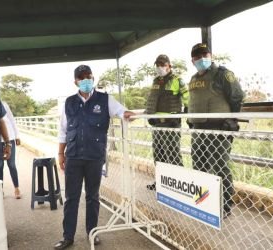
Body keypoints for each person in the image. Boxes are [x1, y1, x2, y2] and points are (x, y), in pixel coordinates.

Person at [54, 65, 135, 250]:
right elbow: (63, 130)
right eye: (82, 78)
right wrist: (60, 153)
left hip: (94, 156)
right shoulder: (69, 102)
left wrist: (127, 115)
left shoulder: (105, 99)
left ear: (93, 78)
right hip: (73, 156)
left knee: (93, 196)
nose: (86, 80)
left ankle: (92, 233)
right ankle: (68, 237)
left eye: (89, 77)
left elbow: (121, 111)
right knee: (71, 198)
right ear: (75, 81)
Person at [187, 43, 244, 217]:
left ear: (210, 55)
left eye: (205, 55)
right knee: (199, 166)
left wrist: (230, 119)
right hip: (198, 130)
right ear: (192, 60)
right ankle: (205, 202)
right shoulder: (193, 78)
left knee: (220, 167)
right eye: (197, 57)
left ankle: (225, 205)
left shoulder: (223, 75)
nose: (201, 59)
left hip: (218, 130)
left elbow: (237, 97)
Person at [145, 54, 189, 191]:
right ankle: (161, 183)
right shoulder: (155, 81)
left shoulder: (178, 80)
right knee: (158, 155)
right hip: (157, 124)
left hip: (171, 124)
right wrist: (150, 115)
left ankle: (180, 186)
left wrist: (187, 114)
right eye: (157, 65)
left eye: (162, 65)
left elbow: (187, 98)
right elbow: (152, 99)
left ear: (169, 66)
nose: (160, 67)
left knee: (173, 155)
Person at [0, 101, 22, 199]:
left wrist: (17, 136)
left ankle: (17, 188)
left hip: (10, 138)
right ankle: (0, 190)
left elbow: (11, 119)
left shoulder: (3, 104)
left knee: (11, 165)